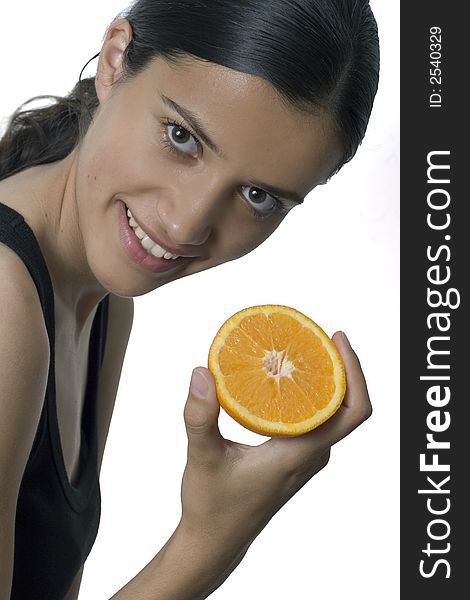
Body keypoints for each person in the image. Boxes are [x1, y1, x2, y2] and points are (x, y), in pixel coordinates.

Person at [0, 0, 379, 598]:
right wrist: (210, 539)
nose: (185, 226)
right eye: (181, 137)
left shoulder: (98, 299)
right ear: (116, 58)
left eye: (258, 196)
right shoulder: (4, 302)